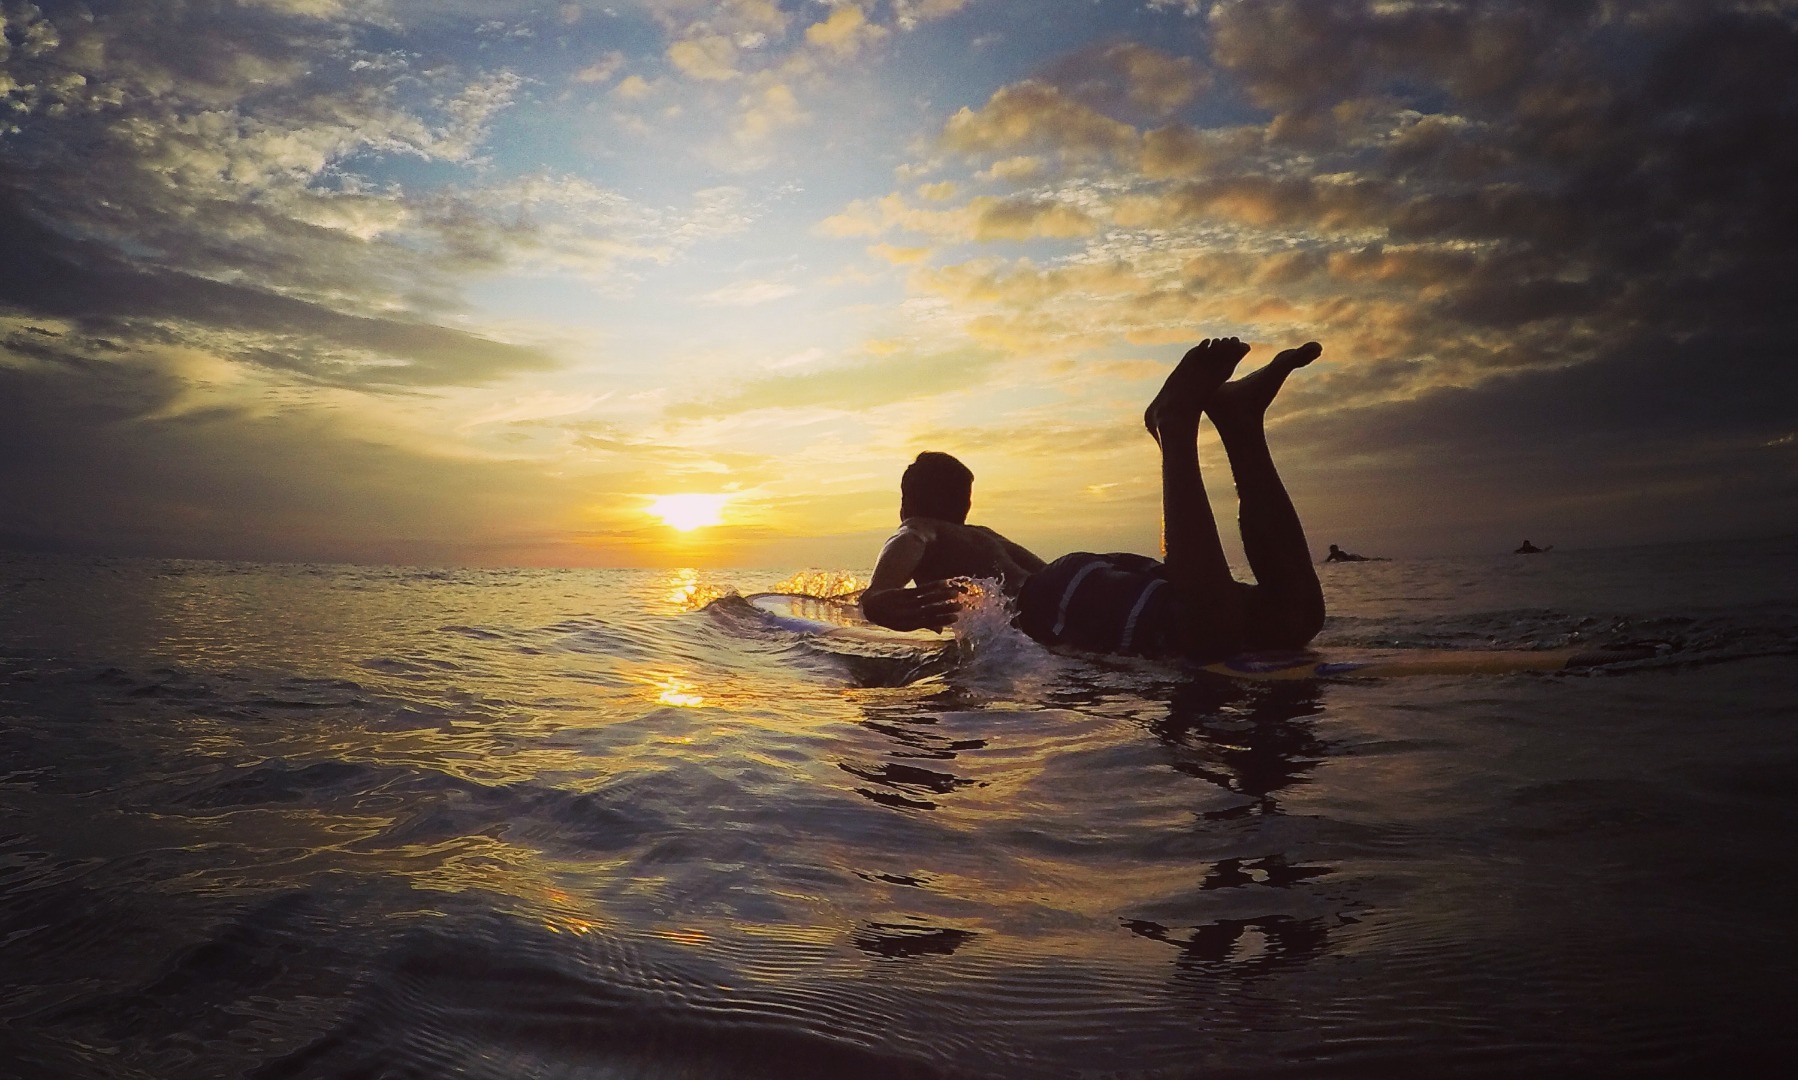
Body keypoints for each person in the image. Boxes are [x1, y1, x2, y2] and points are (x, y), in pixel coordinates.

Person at [860, 336, 1326, 660]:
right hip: (1089, 577)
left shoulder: (921, 528)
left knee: (1209, 629)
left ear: (907, 501)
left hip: (1063, 596)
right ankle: (1240, 423)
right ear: (964, 503)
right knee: (1291, 618)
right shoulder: (979, 537)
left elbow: (908, 539)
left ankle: (1174, 422)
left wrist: (878, 598)